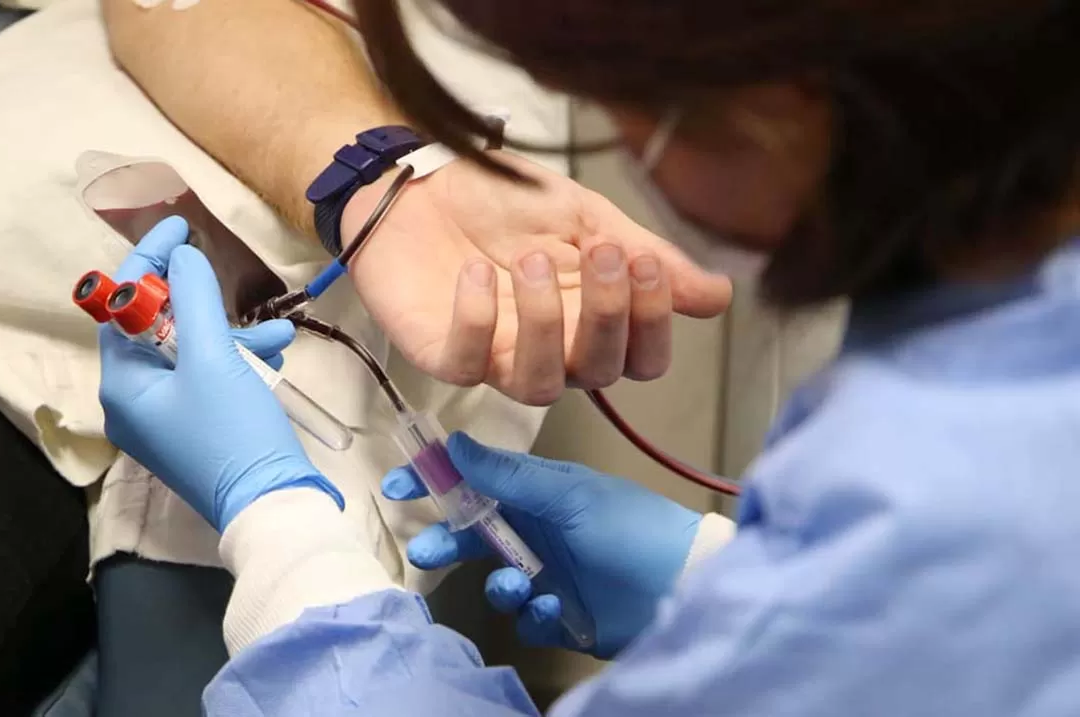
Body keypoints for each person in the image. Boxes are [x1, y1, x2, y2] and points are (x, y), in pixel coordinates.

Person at [98, 0, 1080, 714]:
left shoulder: (938, 509)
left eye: (638, 109)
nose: (624, 143)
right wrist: (707, 575)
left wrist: (278, 528)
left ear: (791, 97)